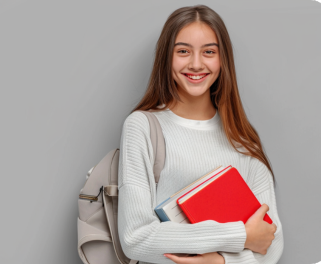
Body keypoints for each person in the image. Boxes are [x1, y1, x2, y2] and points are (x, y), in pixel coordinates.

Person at [117, 5, 284, 264]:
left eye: (209, 52)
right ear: (166, 58)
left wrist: (221, 262)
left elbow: (270, 241)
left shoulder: (242, 137)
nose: (196, 64)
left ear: (222, 59)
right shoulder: (142, 127)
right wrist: (239, 235)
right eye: (183, 51)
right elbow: (135, 239)